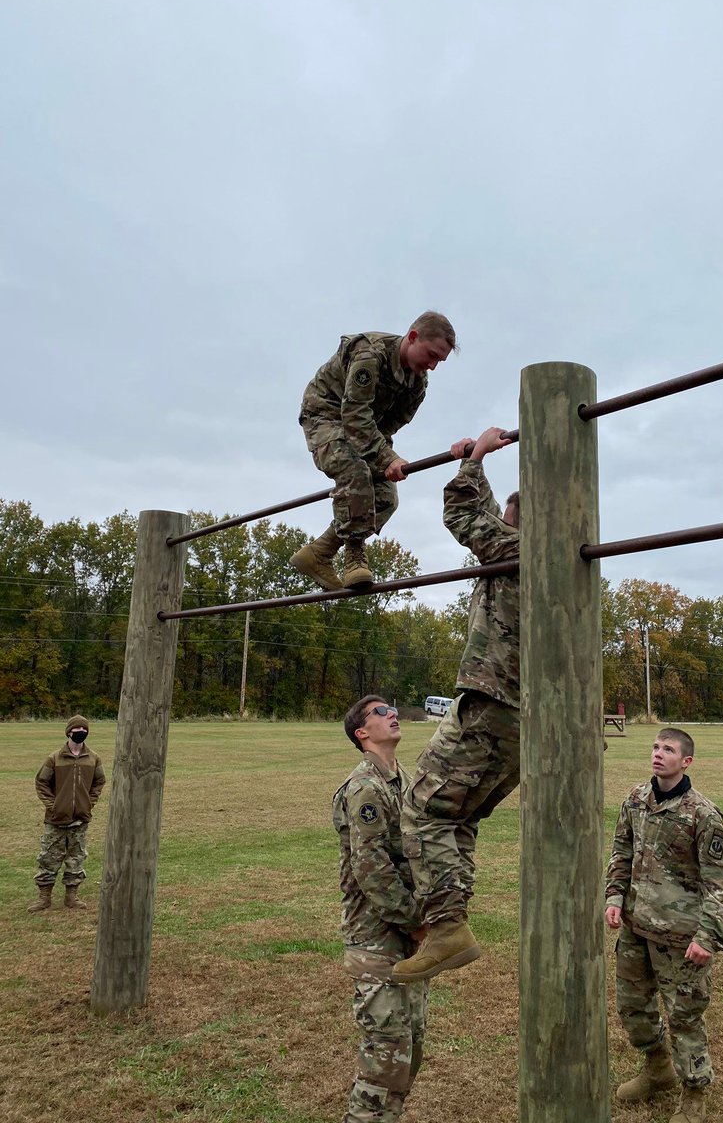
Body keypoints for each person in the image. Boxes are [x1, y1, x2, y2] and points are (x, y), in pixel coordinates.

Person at [393, 427, 520, 983]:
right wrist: (476, 467)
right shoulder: (545, 550)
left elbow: (466, 517)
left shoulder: (521, 549)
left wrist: (476, 458)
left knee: (422, 810)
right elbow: (490, 522)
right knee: (457, 817)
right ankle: (448, 920)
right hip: (527, 719)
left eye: (509, 522)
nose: (502, 527)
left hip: (492, 704)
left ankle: (447, 927)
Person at [605, 727, 723, 1123]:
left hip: (681, 937)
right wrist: (614, 898)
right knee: (633, 1006)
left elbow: (720, 883)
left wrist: (707, 937)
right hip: (636, 927)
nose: (658, 754)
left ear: (686, 761)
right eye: (656, 747)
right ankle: (657, 1067)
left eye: (668, 749)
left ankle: (694, 1094)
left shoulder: (702, 815)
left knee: (684, 1016)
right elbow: (621, 852)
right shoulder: (635, 800)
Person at [292, 313, 458, 592]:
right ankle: (354, 554)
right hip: (324, 416)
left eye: (439, 361)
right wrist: (385, 457)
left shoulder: (417, 383)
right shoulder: (370, 354)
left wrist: (383, 459)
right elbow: (354, 414)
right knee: (354, 471)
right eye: (431, 355)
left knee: (385, 497)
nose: (432, 366)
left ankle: (320, 552)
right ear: (413, 337)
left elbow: (390, 425)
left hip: (363, 431)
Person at [332, 695, 428, 1122]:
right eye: (380, 712)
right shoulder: (365, 788)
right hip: (376, 938)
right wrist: (416, 921)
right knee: (385, 1055)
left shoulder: (402, 781)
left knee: (409, 1049)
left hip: (408, 935)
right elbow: (370, 869)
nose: (392, 714)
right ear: (362, 733)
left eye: (392, 709)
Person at [28, 715, 105, 912]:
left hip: (80, 820)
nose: (81, 733)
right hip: (55, 820)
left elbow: (99, 782)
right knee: (48, 858)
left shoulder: (93, 759)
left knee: (76, 858)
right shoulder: (54, 758)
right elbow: (41, 782)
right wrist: (53, 806)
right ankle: (44, 898)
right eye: (77, 730)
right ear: (69, 732)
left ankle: (72, 897)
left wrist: (88, 803)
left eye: (84, 730)